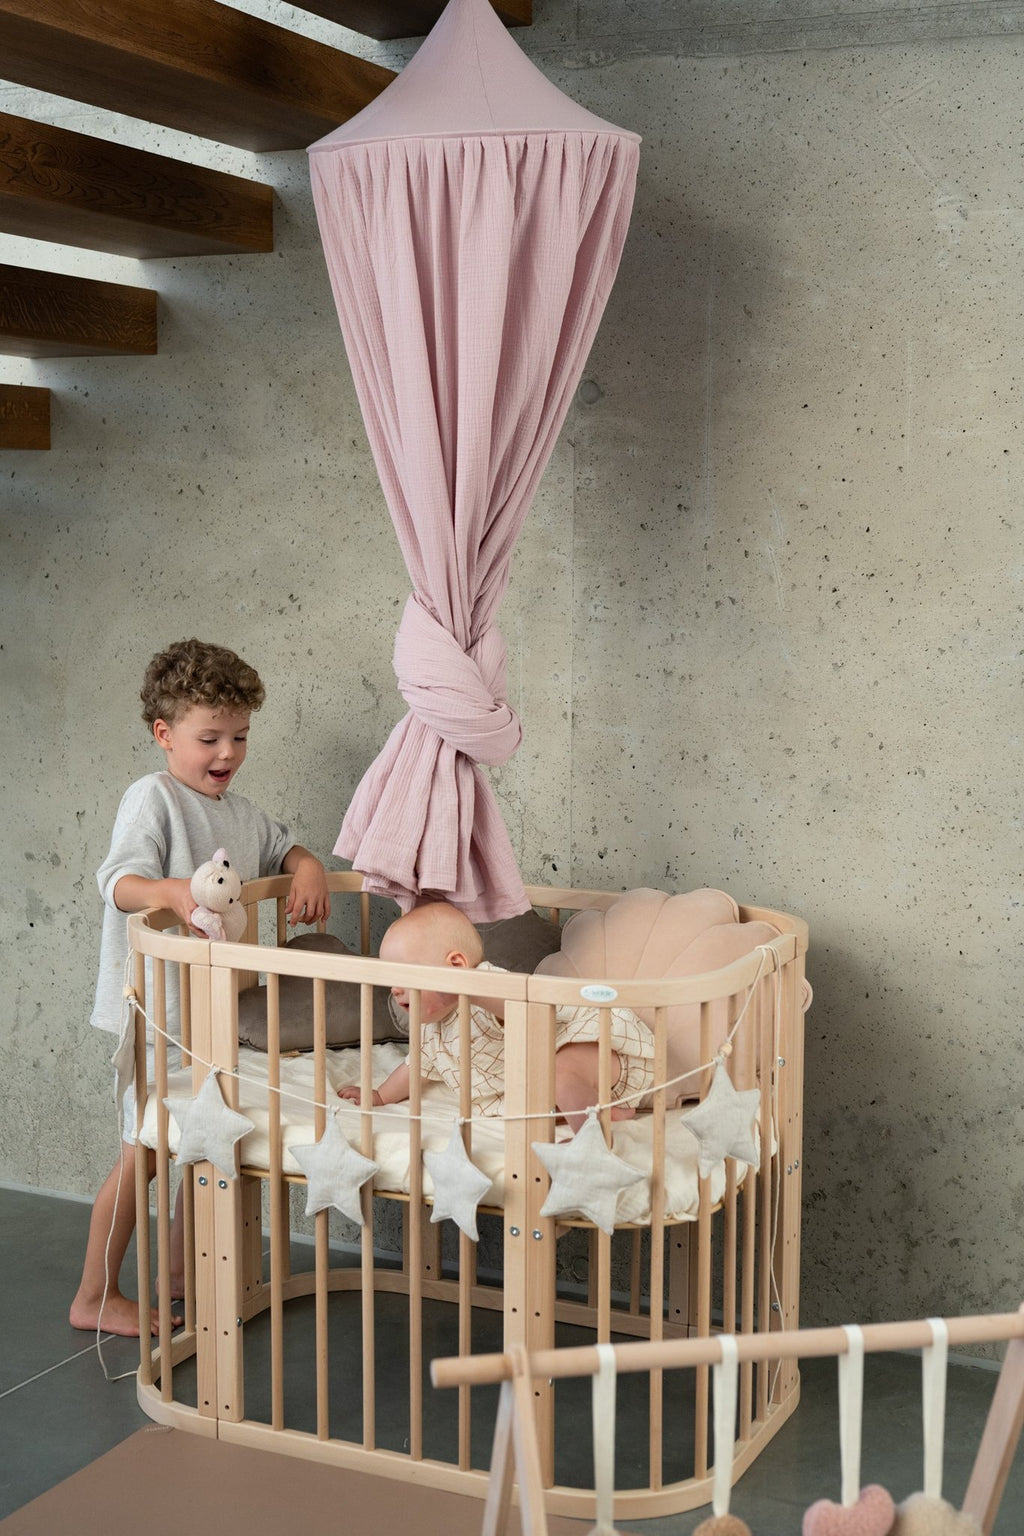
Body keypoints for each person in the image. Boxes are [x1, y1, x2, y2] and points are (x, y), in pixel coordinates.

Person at [69, 638, 331, 1337]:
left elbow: (282, 847)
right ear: (164, 734)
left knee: (206, 1140)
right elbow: (118, 882)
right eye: (209, 738)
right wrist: (170, 894)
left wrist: (305, 865)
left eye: (240, 737)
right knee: (147, 1151)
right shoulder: (152, 798)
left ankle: (182, 1277)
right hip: (158, 1011)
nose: (227, 753)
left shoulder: (240, 814)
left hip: (220, 1016)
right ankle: (95, 1292)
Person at [338, 902, 653, 1131]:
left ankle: (591, 1142)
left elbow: (524, 1012)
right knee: (538, 1102)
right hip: (541, 1085)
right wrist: (379, 1095)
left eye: (403, 976)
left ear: (457, 967)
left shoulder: (487, 987)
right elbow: (415, 1067)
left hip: (583, 1044)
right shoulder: (431, 1030)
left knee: (561, 1072)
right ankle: (604, 1110)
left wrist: (470, 989)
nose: (394, 990)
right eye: (390, 979)